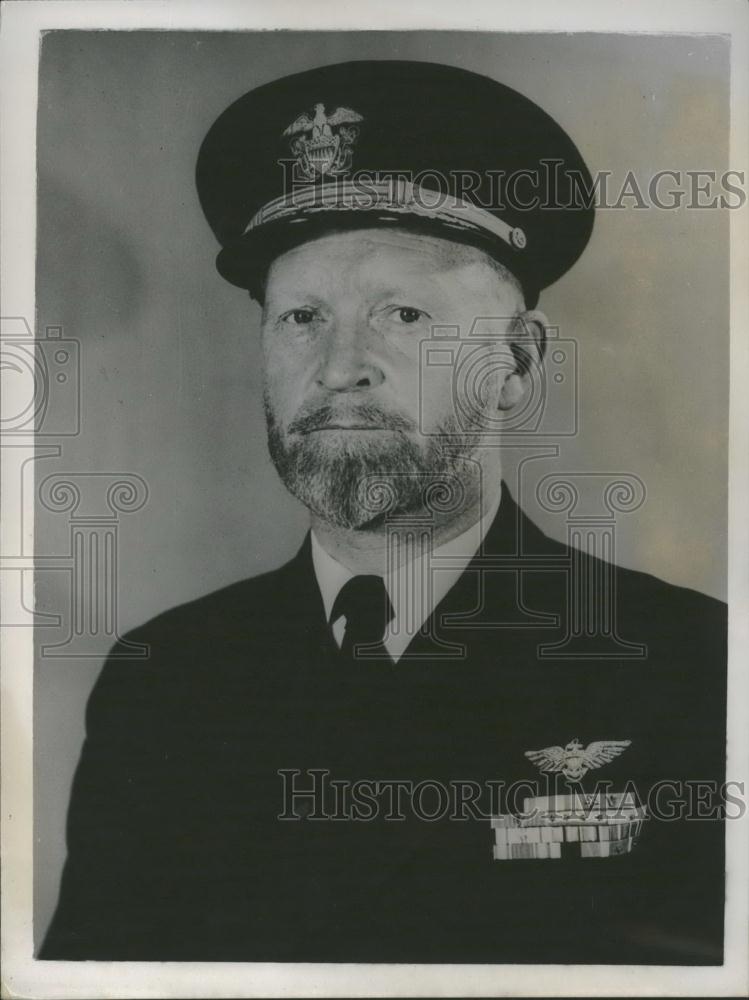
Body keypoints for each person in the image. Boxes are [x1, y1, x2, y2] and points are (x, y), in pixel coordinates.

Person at [40, 60, 726, 965]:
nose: (338, 367)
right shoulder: (162, 683)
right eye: (301, 318)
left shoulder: (692, 670)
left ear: (515, 366)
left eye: (402, 314)